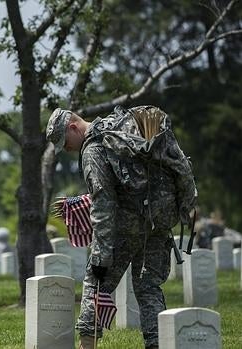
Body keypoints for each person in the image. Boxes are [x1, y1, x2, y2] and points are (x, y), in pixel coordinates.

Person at [46, 105, 196, 349]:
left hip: (128, 226)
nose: (68, 149)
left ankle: (87, 345)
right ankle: (158, 343)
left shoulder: (93, 148)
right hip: (161, 220)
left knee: (95, 283)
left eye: (66, 142)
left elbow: (103, 201)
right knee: (148, 286)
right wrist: (185, 206)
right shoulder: (123, 127)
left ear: (73, 127)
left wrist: (100, 255)